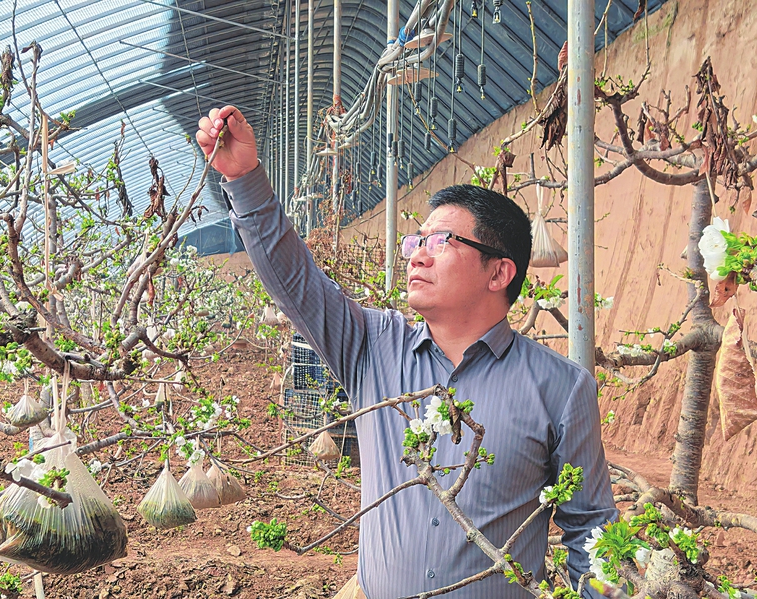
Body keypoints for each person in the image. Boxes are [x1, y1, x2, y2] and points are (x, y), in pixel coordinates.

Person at [196, 106, 617, 599]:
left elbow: (590, 530)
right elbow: (296, 280)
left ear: (498, 273)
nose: (417, 254)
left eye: (440, 241)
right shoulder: (372, 346)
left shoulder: (562, 389)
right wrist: (244, 178)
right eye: (417, 240)